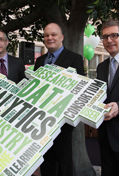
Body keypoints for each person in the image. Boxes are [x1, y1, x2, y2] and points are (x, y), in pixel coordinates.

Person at [34, 23, 84, 176]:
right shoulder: (39, 61)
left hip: (63, 124)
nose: (50, 38)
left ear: (61, 37)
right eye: (47, 35)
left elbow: (79, 89)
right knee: (47, 163)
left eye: (53, 34)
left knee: (64, 165)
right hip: (42, 124)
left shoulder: (75, 59)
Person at [97, 18, 119, 176]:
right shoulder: (101, 67)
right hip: (105, 136)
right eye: (105, 37)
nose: (109, 40)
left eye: (114, 35)